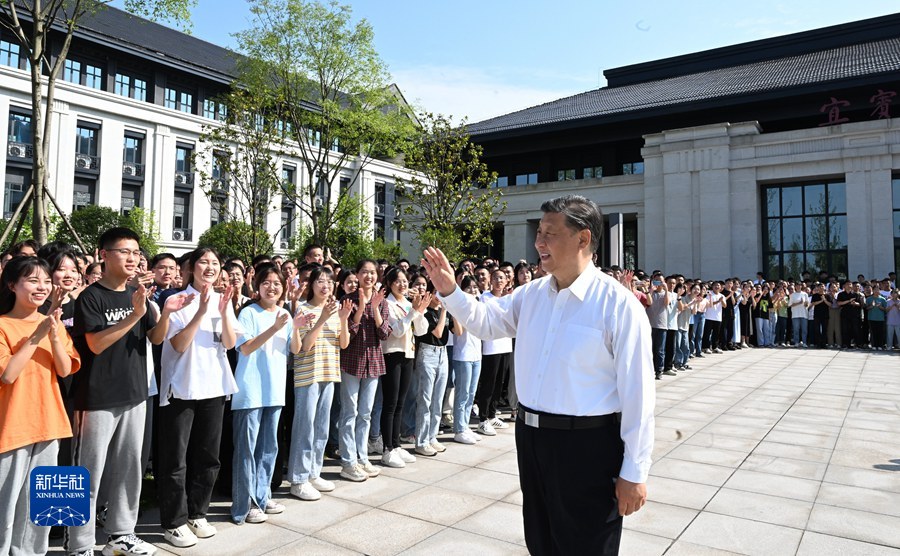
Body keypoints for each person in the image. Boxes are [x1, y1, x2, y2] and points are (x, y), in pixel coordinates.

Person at [423, 195, 654, 555]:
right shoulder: (530, 295)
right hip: (532, 439)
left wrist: (635, 470)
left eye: (550, 233)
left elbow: (639, 394)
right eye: (539, 233)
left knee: (586, 545)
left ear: (583, 239)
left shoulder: (617, 306)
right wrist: (450, 290)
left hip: (588, 447)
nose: (539, 242)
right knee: (542, 542)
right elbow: (486, 322)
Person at [157, 247, 239, 548]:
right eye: (204, 262)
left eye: (216, 263)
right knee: (175, 459)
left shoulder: (222, 301)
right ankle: (173, 522)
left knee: (208, 456)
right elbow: (177, 345)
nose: (210, 267)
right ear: (190, 267)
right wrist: (201, 312)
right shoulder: (177, 300)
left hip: (214, 387)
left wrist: (221, 311)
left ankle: (196, 512)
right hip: (181, 388)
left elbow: (230, 344)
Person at [0, 256, 80, 556]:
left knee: (40, 505)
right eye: (33, 280)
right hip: (11, 427)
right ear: (12, 285)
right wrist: (36, 335)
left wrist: (54, 332)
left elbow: (63, 369)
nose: (42, 286)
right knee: (5, 506)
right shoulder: (3, 325)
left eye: (46, 281)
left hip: (49, 422)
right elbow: (7, 374)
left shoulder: (50, 322)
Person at [230, 264, 293, 524]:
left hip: (275, 390)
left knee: (269, 448)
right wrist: (275, 328)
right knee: (246, 450)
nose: (271, 287)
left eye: (276, 283)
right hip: (250, 391)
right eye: (266, 282)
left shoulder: (285, 314)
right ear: (257, 286)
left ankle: (263, 495)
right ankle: (244, 506)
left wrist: (297, 325)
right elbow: (244, 348)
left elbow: (295, 349)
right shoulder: (248, 313)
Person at [288, 266, 349, 500]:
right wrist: (322, 319)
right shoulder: (303, 309)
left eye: (329, 282)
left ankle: (313, 472)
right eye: (320, 281)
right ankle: (298, 479)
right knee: (305, 426)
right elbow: (304, 346)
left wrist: (342, 319)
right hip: (308, 375)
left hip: (329, 373)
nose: (325, 286)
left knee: (322, 427)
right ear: (311, 284)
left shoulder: (335, 310)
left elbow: (343, 344)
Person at [337, 260, 389, 482]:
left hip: (374, 362)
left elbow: (385, 333)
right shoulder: (346, 300)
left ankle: (362, 456)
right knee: (349, 413)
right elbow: (349, 333)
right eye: (364, 272)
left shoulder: (382, 301)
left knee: (365, 413)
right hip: (352, 361)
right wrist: (359, 309)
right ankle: (348, 462)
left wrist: (375, 308)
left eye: (372, 272)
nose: (369, 276)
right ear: (357, 275)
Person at [379, 268, 428, 468]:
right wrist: (413, 313)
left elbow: (422, 330)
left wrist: (419, 311)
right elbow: (397, 331)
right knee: (390, 403)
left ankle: (396, 445)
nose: (403, 285)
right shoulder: (387, 304)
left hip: (408, 354)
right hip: (392, 353)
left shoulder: (408, 304)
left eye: (405, 281)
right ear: (390, 283)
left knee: (401, 401)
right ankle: (387, 449)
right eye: (398, 281)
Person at [451, 276, 483, 444]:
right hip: (463, 356)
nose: (472, 290)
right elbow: (459, 332)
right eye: (468, 287)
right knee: (462, 394)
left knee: (471, 393)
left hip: (477, 355)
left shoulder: (477, 306)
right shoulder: (458, 308)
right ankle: (459, 429)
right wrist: (457, 312)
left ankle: (465, 425)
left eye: (474, 287)